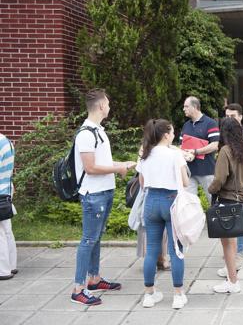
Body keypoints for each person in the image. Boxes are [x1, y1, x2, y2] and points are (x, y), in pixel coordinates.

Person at [71, 89, 136, 306]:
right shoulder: (86, 134)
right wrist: (118, 169)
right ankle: (78, 288)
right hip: (93, 195)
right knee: (88, 240)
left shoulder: (98, 130)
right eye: (107, 103)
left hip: (104, 192)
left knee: (96, 238)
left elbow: (102, 161)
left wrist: (121, 164)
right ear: (100, 106)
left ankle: (94, 279)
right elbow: (90, 168)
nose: (109, 106)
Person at [137, 119, 189, 309]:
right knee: (176, 250)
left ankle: (149, 295)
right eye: (173, 132)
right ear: (166, 135)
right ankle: (177, 294)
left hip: (151, 201)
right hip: (171, 201)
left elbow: (142, 183)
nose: (174, 135)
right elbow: (184, 182)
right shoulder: (175, 154)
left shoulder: (145, 154)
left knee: (151, 250)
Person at [208, 118, 243, 294]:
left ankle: (232, 282)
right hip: (240, 198)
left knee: (226, 244)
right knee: (232, 243)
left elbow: (219, 178)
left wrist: (211, 190)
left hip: (226, 199)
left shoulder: (225, 151)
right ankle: (232, 278)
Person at [218, 103, 243, 277]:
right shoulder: (229, 139)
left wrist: (242, 182)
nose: (229, 119)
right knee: (237, 219)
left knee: (237, 220)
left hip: (236, 187)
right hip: (237, 187)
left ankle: (239, 253)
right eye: (227, 116)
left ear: (240, 117)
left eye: (232, 116)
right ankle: (236, 256)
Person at [181, 96, 220, 197]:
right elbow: (182, 147)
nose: (183, 109)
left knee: (213, 200)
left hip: (206, 170)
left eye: (186, 106)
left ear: (194, 107)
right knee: (189, 202)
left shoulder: (210, 123)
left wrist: (195, 151)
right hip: (189, 171)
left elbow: (215, 145)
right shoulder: (186, 125)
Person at [0, 133, 17, 280]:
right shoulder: (6, 141)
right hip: (5, 189)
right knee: (6, 230)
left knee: (0, 232)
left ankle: (3, 270)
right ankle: (11, 265)